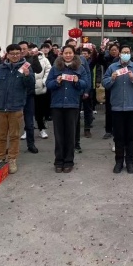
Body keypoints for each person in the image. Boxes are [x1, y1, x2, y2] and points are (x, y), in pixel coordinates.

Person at [0, 44, 35, 174]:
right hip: (0, 108)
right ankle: (0, 158)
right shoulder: (0, 69)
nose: (15, 56)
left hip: (16, 108)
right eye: (12, 54)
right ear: (7, 55)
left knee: (14, 136)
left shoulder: (26, 67)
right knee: (1, 136)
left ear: (21, 54)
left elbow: (30, 86)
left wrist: (27, 76)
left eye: (17, 53)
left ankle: (12, 159)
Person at [46, 45, 90, 173]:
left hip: (72, 104)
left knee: (70, 134)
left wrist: (77, 81)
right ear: (62, 54)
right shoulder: (55, 68)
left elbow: (85, 83)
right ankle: (58, 161)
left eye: (70, 53)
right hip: (57, 105)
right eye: (66, 53)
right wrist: (56, 81)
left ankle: (69, 161)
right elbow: (48, 84)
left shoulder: (80, 68)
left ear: (74, 54)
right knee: (59, 135)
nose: (68, 55)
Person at [103, 45, 133, 173]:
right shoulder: (112, 67)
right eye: (123, 52)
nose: (125, 54)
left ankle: (129, 161)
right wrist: (111, 79)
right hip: (117, 107)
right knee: (118, 136)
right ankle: (118, 161)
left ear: (130, 54)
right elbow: (105, 83)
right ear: (119, 54)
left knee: (130, 136)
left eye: (127, 52)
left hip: (132, 106)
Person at [17, 41, 43, 154]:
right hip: (16, 95)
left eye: (24, 49)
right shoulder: (13, 60)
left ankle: (31, 144)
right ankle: (13, 146)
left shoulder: (31, 59)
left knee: (29, 122)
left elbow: (39, 70)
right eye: (20, 49)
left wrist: (35, 57)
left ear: (28, 49)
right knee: (14, 122)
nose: (22, 51)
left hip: (29, 94)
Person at [98, 43, 120, 139]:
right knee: (109, 109)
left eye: (115, 50)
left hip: (120, 87)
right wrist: (101, 52)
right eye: (112, 50)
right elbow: (99, 60)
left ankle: (118, 130)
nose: (114, 52)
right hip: (109, 86)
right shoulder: (107, 59)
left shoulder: (122, 60)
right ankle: (108, 130)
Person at [76, 45, 96, 143]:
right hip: (76, 90)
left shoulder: (84, 60)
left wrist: (87, 91)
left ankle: (87, 129)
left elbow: (88, 75)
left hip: (86, 89)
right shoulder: (73, 60)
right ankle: (75, 130)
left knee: (88, 110)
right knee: (76, 111)